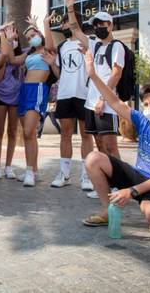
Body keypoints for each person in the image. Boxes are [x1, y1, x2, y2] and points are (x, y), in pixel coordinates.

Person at [82, 50, 150, 234]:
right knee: (93, 158)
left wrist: (131, 192)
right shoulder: (143, 121)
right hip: (138, 175)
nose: (149, 108)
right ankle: (108, 211)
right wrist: (92, 74)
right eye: (145, 104)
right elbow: (114, 101)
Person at [66, 0, 124, 159]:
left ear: (110, 25)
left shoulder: (117, 46)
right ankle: (106, 179)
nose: (99, 27)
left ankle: (119, 181)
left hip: (106, 103)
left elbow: (116, 74)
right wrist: (70, 8)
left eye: (102, 24)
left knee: (110, 146)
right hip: (91, 103)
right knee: (99, 145)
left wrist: (103, 99)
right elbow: (76, 31)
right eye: (96, 25)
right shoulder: (94, 44)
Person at [0, 17, 55, 187]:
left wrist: (44, 24)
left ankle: (29, 171)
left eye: (34, 35)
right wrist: (6, 38)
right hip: (24, 91)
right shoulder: (29, 53)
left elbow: (51, 43)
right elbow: (11, 59)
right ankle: (34, 170)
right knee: (28, 134)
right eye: (29, 37)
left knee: (29, 131)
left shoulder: (47, 50)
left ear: (39, 34)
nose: (32, 39)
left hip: (38, 90)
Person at [45, 10, 94, 191]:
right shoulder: (62, 46)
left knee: (86, 135)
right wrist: (52, 64)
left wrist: (71, 7)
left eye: (65, 22)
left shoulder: (89, 43)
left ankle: (86, 176)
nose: (63, 25)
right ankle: (64, 174)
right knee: (65, 134)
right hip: (65, 95)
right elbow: (61, 74)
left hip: (84, 94)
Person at [0, 28, 23, 180]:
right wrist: (7, 41)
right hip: (0, 96)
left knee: (12, 131)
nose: (13, 40)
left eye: (15, 37)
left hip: (16, 97)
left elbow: (41, 44)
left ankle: (8, 166)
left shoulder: (21, 56)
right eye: (10, 38)